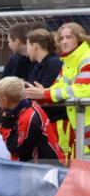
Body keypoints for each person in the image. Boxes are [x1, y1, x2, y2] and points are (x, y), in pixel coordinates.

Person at [25, 22, 90, 163]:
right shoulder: (68, 61)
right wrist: (43, 93)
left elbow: (83, 89)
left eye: (69, 37)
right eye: (61, 38)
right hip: (81, 126)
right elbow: (59, 85)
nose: (64, 41)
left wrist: (46, 94)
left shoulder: (86, 58)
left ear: (79, 38)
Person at [0, 76, 64, 163]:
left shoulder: (28, 118)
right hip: (40, 165)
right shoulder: (27, 106)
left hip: (46, 168)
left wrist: (4, 126)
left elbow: (16, 150)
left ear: (5, 101)